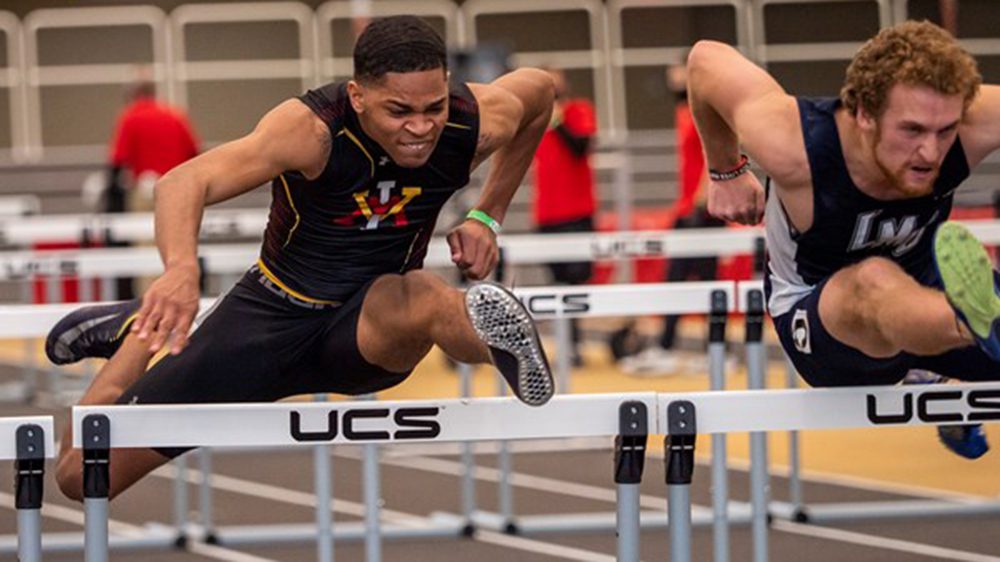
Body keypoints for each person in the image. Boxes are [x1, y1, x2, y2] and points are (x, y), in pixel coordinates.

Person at [47, 16, 556, 501]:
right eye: (399, 111)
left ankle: (502, 343)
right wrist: (180, 270)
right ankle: (140, 331)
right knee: (82, 475)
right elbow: (184, 180)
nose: (421, 127)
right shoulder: (312, 131)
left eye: (434, 107)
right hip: (265, 321)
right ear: (357, 97)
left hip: (366, 324)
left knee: (424, 294)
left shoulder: (471, 124)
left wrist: (488, 215)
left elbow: (537, 92)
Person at [688, 20, 1000, 459]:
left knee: (896, 286)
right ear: (865, 114)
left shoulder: (970, 119)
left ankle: (947, 347)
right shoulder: (793, 142)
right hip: (821, 318)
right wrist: (726, 171)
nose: (930, 152)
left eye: (945, 131)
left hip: (926, 288)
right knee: (872, 281)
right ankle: (974, 320)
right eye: (911, 131)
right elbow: (704, 59)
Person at [620, 62, 726, 376]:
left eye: (678, 70)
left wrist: (703, 196)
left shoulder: (704, 112)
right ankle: (669, 347)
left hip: (703, 209)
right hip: (686, 209)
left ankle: (715, 350)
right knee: (677, 279)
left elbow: (715, 153)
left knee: (705, 280)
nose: (671, 76)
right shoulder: (683, 111)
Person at [106, 75, 200, 298]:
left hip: (145, 191)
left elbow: (118, 160)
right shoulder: (175, 115)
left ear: (131, 95)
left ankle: (149, 306)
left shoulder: (130, 118)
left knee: (147, 249)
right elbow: (195, 153)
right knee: (180, 247)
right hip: (179, 190)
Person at [531, 67, 598, 366]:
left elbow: (581, 147)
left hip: (577, 211)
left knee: (577, 282)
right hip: (547, 214)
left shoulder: (578, 110)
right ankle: (565, 344)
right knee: (557, 282)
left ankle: (574, 343)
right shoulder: (537, 122)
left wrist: (557, 119)